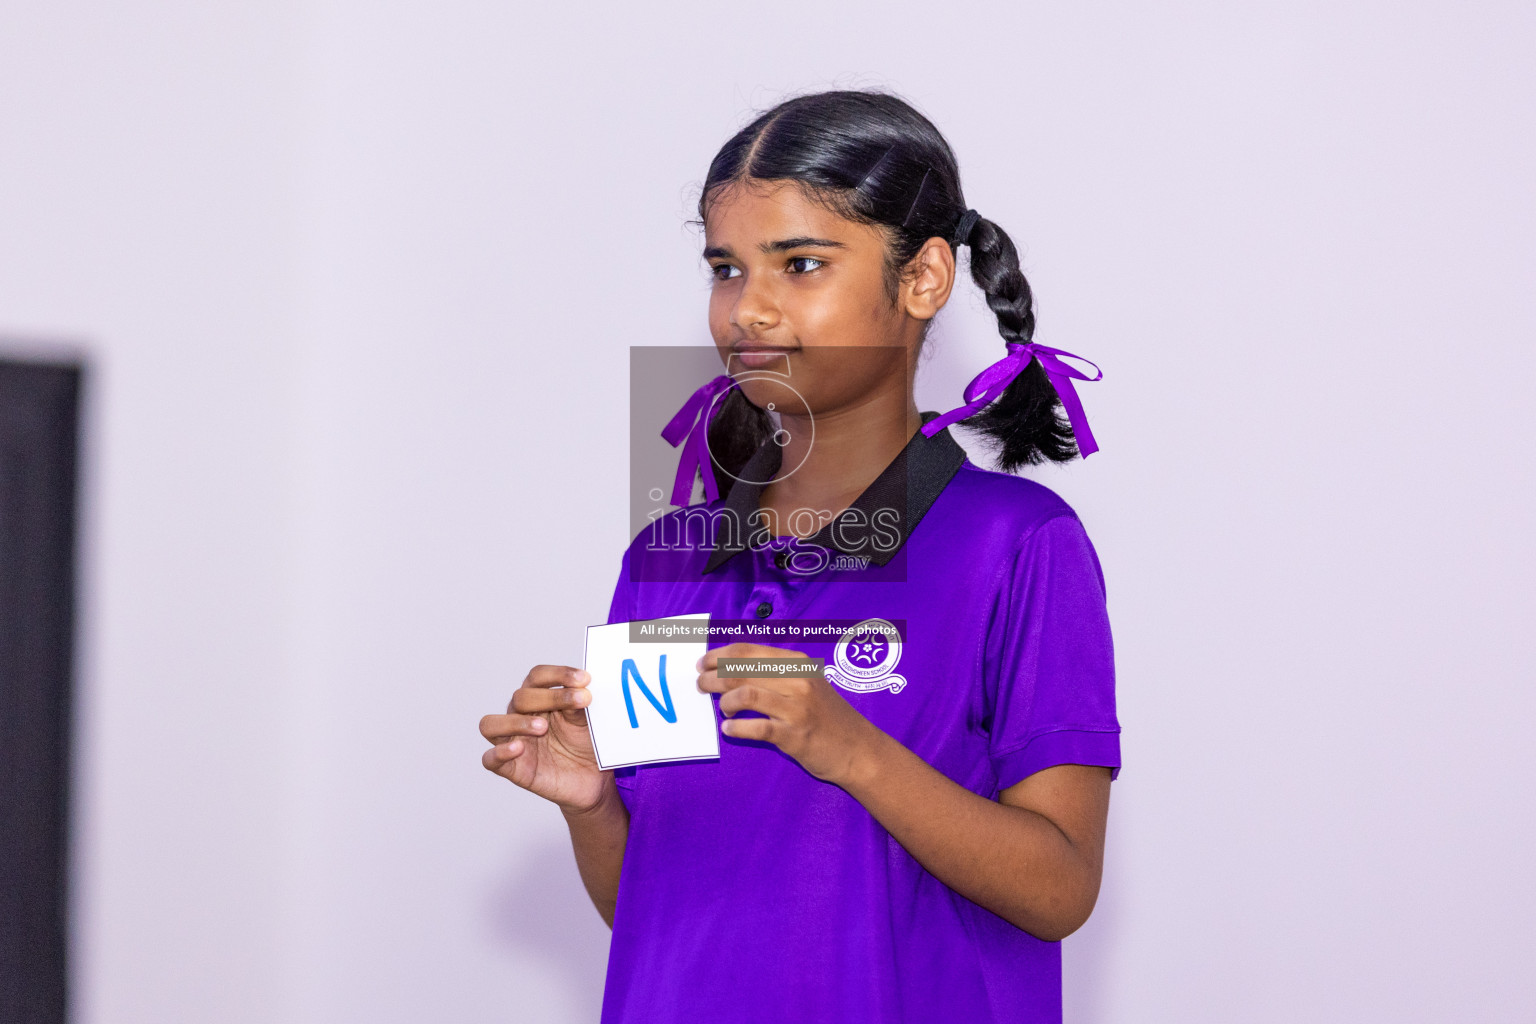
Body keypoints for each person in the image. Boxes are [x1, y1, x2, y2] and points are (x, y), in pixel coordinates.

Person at [479, 89, 1120, 1024]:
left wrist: (850, 747)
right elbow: (658, 912)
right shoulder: (671, 556)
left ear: (925, 278)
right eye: (726, 269)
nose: (749, 309)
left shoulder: (1016, 541)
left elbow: (1059, 888)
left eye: (801, 264)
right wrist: (591, 806)